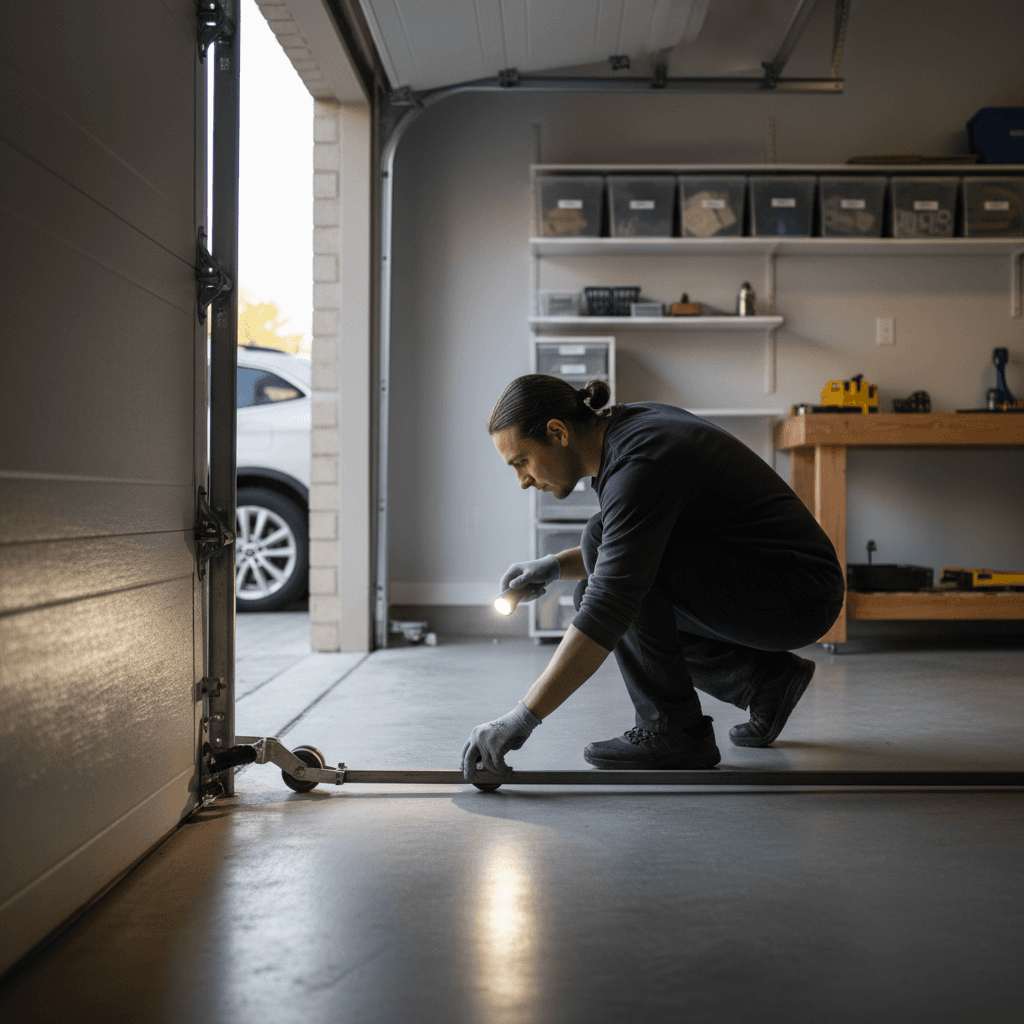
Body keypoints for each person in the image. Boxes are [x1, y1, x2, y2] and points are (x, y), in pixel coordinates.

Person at [462, 375, 846, 781]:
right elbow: (639, 538)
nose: (522, 480)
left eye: (521, 461)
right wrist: (554, 566)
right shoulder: (632, 430)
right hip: (782, 583)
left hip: (800, 595)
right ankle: (764, 682)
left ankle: (672, 730)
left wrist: (521, 719)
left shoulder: (640, 463)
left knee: (602, 569)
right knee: (598, 544)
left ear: (557, 432)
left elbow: (612, 598)